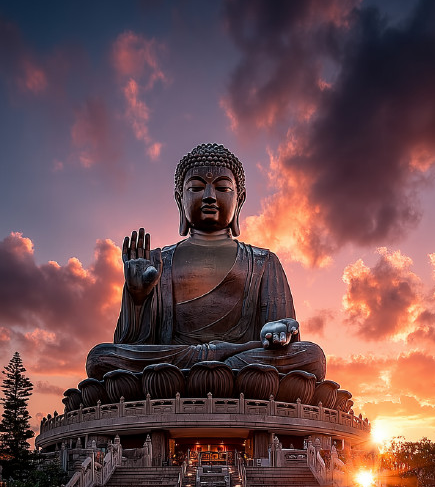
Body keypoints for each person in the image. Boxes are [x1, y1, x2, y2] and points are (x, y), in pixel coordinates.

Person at [86, 143, 326, 381]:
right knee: (101, 358)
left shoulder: (263, 262)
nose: (210, 196)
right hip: (177, 361)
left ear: (239, 199)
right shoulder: (159, 262)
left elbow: (285, 343)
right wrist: (137, 298)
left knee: (312, 356)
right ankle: (221, 370)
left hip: (233, 362)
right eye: (197, 188)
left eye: (222, 188)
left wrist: (278, 332)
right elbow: (131, 344)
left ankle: (215, 369)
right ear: (180, 199)